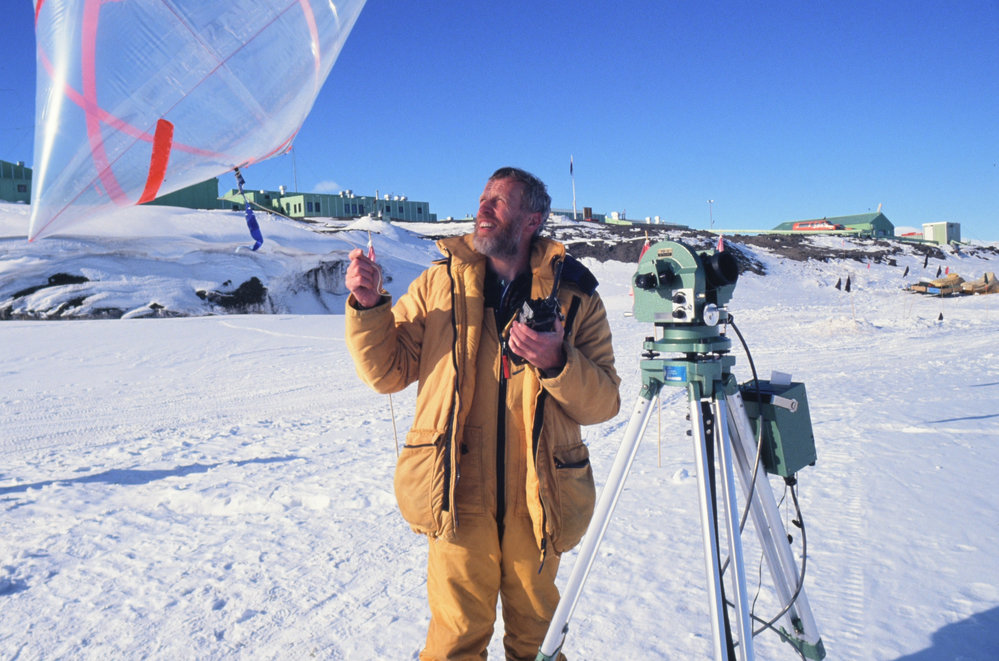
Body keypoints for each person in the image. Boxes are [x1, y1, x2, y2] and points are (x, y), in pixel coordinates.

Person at [345, 167, 620, 660]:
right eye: (483, 198)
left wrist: (557, 362)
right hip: (456, 492)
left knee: (537, 642)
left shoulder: (576, 295)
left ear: (532, 219)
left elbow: (604, 402)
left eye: (500, 200)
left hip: (539, 497)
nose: (483, 208)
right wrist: (368, 308)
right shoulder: (438, 285)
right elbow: (386, 371)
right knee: (454, 641)